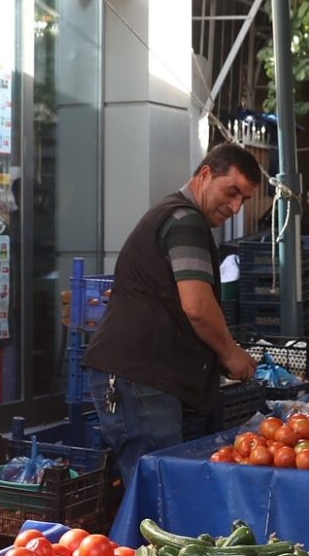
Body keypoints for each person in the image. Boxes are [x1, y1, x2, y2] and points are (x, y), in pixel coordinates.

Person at [81, 143, 261, 485]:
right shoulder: (185, 220)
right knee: (160, 491)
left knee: (154, 488)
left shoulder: (175, 216)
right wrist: (230, 353)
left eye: (245, 199)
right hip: (140, 376)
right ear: (205, 175)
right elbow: (197, 306)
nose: (236, 207)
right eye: (232, 192)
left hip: (139, 375)